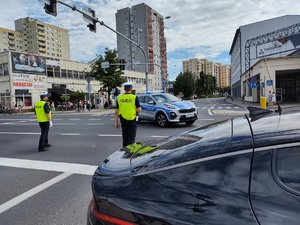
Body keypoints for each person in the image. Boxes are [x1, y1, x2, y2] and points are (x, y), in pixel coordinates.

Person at [114, 82, 142, 148]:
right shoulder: (134, 97)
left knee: (125, 136)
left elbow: (116, 111)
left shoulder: (119, 98)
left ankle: (124, 151)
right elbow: (139, 109)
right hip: (132, 119)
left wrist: (116, 122)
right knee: (131, 137)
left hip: (123, 120)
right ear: (131, 89)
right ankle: (130, 153)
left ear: (124, 89)